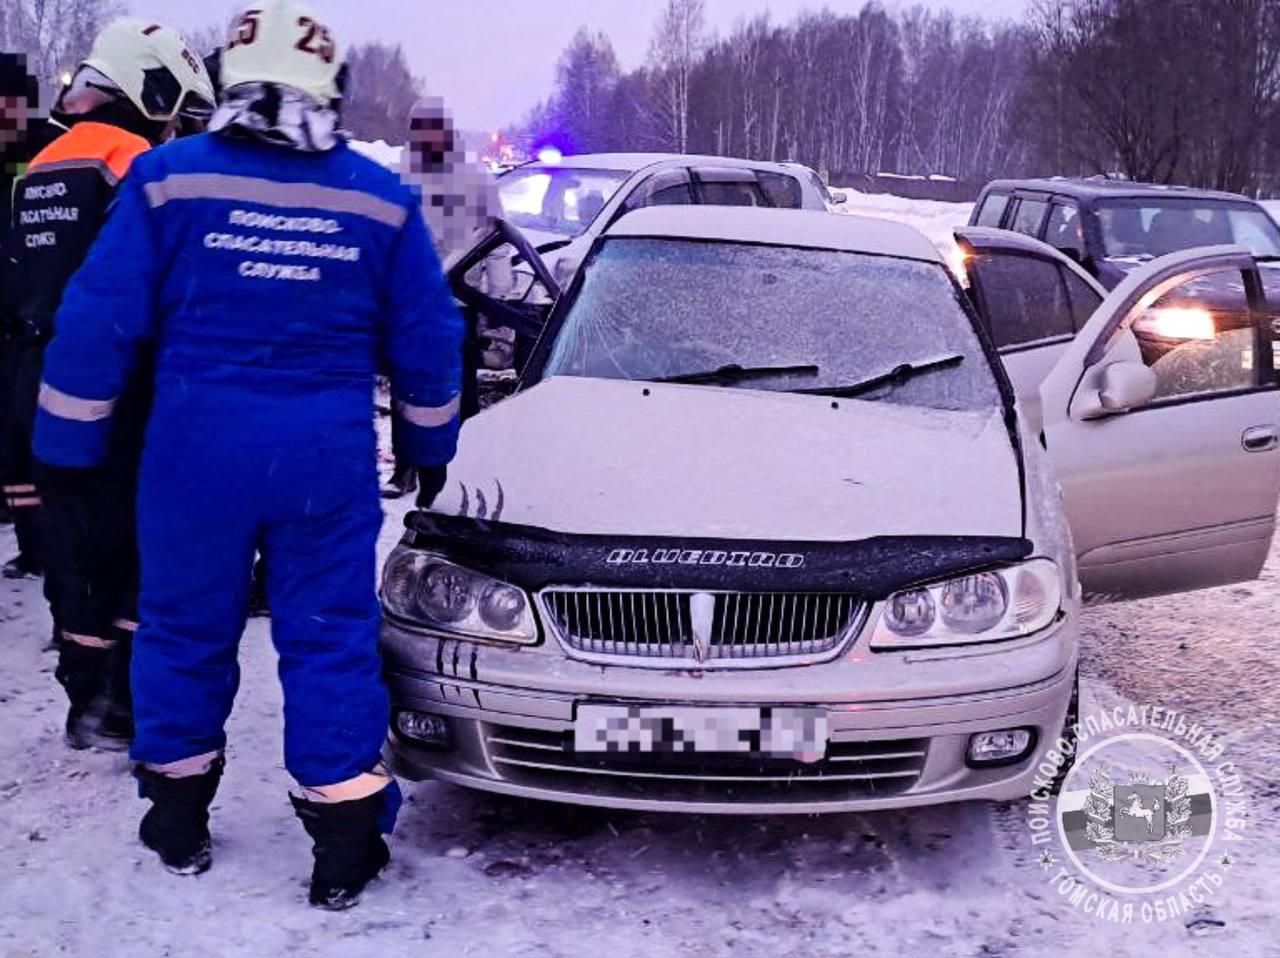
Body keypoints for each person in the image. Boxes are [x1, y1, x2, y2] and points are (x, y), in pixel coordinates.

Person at [33, 0, 464, 910]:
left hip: (193, 457)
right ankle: (345, 837)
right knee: (328, 639)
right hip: (324, 462)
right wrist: (431, 445)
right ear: (329, 91)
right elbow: (428, 337)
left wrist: (67, 443)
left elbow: (97, 318)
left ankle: (178, 814)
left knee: (185, 630)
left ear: (228, 82)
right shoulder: (378, 199)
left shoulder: (166, 180)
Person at [7, 21, 213, 749]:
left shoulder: (41, 167)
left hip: (41, 387)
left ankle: (83, 699)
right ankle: (124, 699)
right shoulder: (134, 161)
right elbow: (162, 281)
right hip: (122, 391)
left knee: (72, 549)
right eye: (181, 111)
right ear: (152, 90)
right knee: (136, 546)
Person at [382, 96, 500, 498]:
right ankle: (406, 466)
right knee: (406, 387)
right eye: (422, 129)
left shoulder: (474, 178)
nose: (429, 137)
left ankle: (453, 470)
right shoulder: (400, 176)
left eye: (436, 129)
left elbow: (495, 242)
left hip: (459, 302)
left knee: (458, 392)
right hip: (410, 303)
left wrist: (496, 306)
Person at [0, 53, 59, 579]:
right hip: (8, 320)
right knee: (11, 452)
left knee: (41, 445)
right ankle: (32, 547)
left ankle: (57, 550)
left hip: (41, 324)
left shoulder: (50, 149)